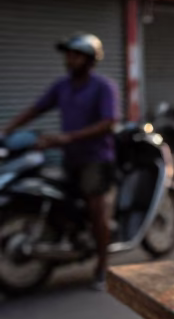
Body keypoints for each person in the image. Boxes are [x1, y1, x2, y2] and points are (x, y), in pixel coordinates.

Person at [3, 35, 117, 291]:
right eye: (68, 55)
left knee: (96, 208)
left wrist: (67, 137)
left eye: (75, 55)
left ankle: (103, 267)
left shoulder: (103, 86)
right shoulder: (62, 86)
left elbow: (108, 122)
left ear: (89, 60)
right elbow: (36, 109)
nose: (70, 59)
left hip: (95, 158)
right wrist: (7, 130)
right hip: (70, 158)